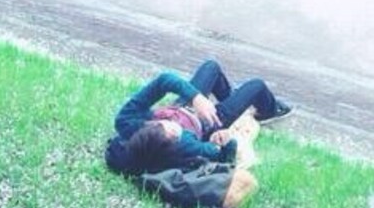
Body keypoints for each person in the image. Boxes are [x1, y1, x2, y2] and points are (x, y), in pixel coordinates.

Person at [105, 59, 292, 177]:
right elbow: (222, 158)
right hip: (209, 122)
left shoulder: (127, 122)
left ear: (148, 126)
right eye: (175, 133)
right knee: (256, 86)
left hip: (181, 106)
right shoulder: (185, 147)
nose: (174, 126)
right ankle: (269, 111)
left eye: (165, 123)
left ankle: (233, 98)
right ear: (174, 143)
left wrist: (196, 98)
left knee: (211, 67)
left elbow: (164, 80)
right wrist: (224, 140)